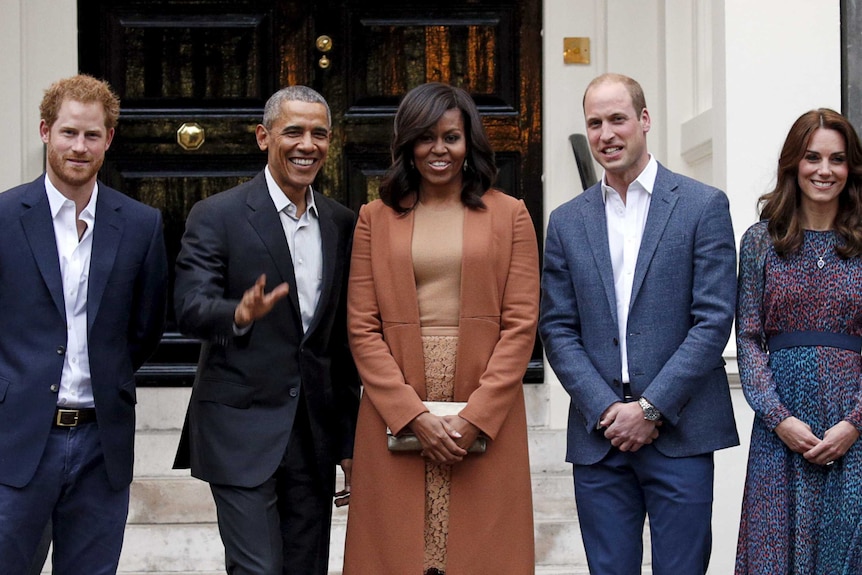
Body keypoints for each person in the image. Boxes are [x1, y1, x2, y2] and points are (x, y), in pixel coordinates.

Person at [539, 73, 739, 575]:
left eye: (617, 119)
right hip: (599, 435)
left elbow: (713, 321)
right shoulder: (566, 221)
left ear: (644, 121)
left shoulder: (702, 205)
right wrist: (608, 409)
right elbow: (557, 328)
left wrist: (650, 409)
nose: (606, 134)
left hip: (681, 429)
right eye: (594, 123)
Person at [343, 82, 539, 574]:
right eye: (425, 137)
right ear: (407, 144)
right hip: (398, 399)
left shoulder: (510, 214)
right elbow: (363, 328)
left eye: (451, 137)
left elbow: (520, 325)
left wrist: (476, 416)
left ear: (468, 141)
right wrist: (411, 415)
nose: (439, 150)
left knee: (485, 553)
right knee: (394, 552)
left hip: (484, 398)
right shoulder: (374, 218)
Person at [172, 85, 360, 575]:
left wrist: (348, 443)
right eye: (293, 131)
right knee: (257, 569)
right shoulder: (217, 215)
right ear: (264, 137)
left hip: (313, 435)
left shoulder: (342, 223)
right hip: (240, 428)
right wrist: (237, 313)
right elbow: (189, 307)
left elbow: (339, 346)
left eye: (319, 134)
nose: (307, 144)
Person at [0, 74, 168, 574]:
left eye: (92, 135)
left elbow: (146, 328)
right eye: (69, 132)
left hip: (102, 444)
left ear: (109, 140)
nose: (80, 146)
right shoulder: (5, 218)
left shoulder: (141, 225)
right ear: (45, 131)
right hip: (17, 440)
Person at [734, 109, 862, 574]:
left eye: (837, 159)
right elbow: (748, 338)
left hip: (853, 432)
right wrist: (778, 418)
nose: (824, 170)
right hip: (780, 436)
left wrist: (855, 423)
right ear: (794, 163)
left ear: (851, 169)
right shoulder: (760, 243)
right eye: (812, 157)